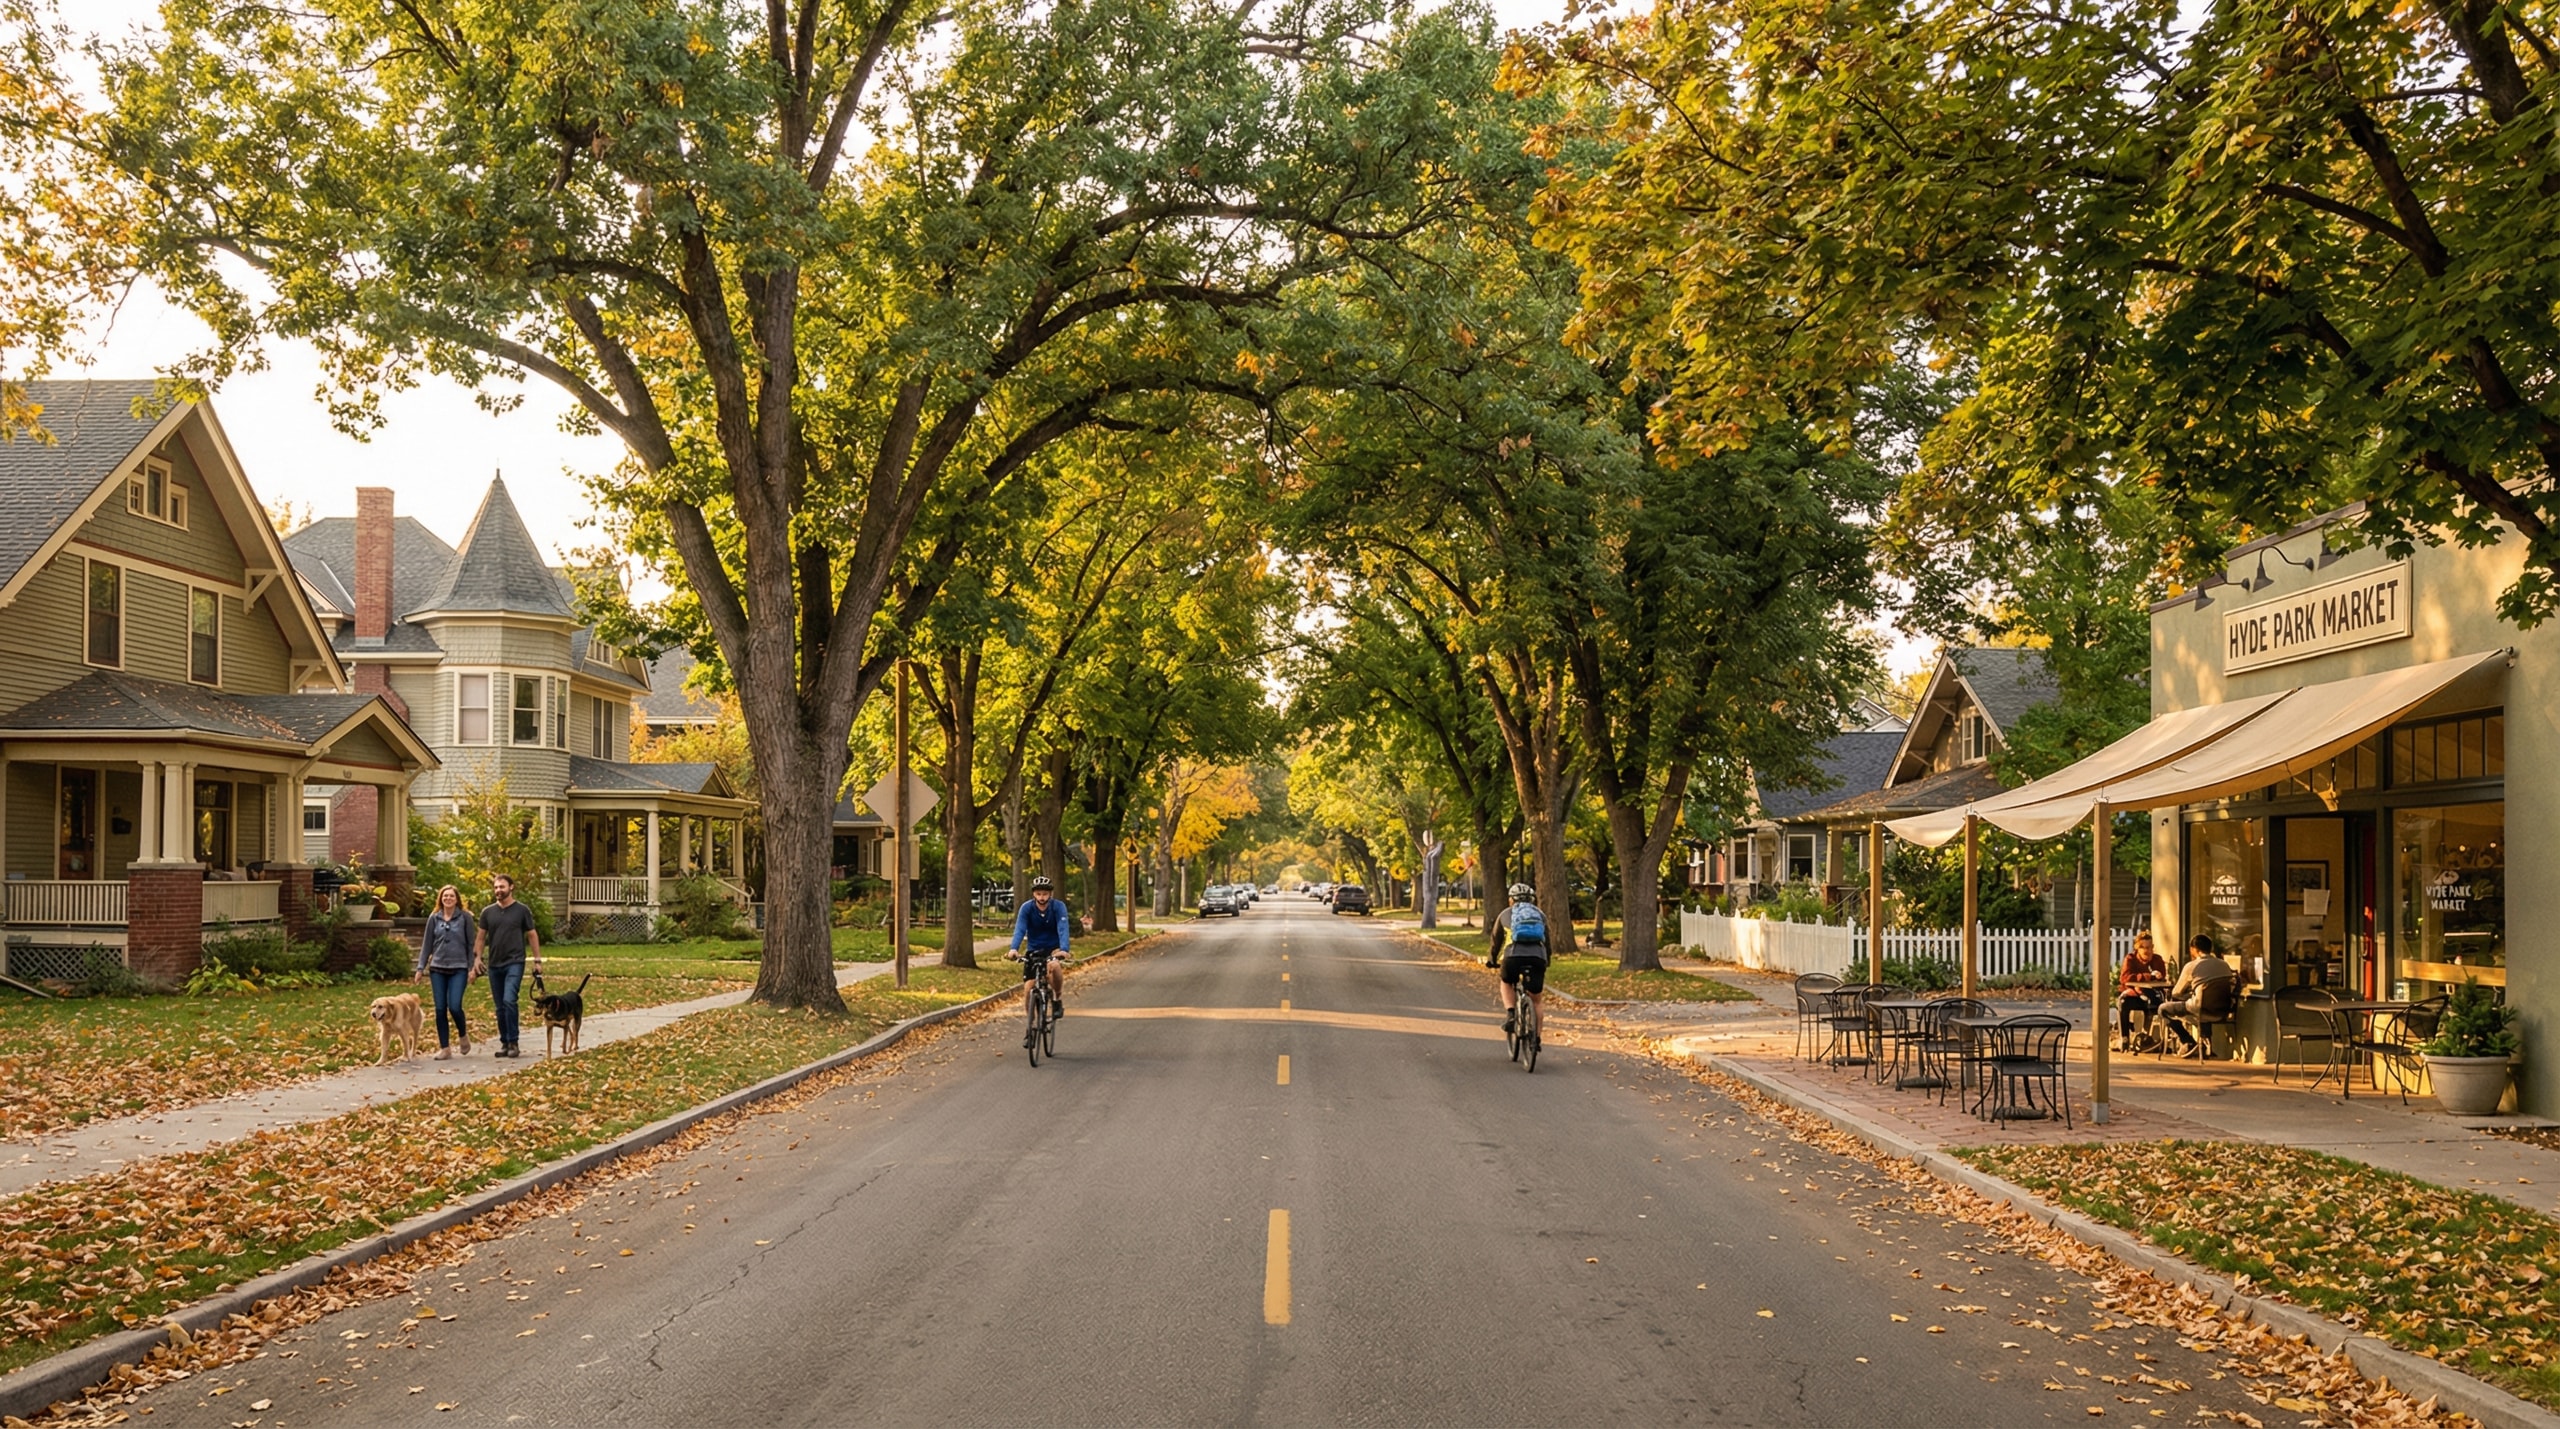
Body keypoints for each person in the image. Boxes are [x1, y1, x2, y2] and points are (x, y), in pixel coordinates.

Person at [412, 884, 484, 1060]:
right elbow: (427, 944)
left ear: (457, 899)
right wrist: (420, 968)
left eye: (451, 896)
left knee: (454, 1006)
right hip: (437, 968)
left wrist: (471, 967)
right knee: (439, 1008)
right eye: (445, 896)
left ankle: (463, 1034)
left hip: (459, 967)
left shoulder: (465, 918)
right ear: (441, 899)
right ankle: (445, 1048)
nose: (448, 899)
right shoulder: (434, 919)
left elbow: (470, 944)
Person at [478, 872, 542, 1059]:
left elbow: (532, 935)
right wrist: (477, 959)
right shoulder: (487, 912)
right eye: (496, 887)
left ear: (511, 887)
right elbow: (481, 937)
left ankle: (514, 1041)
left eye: (502, 887)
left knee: (509, 1000)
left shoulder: (522, 910)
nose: (498, 890)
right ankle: (505, 1042)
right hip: (494, 964)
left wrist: (537, 961)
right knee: (499, 1006)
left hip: (514, 962)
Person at [1009, 874, 1072, 1045]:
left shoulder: (1058, 907)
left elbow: (1063, 928)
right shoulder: (1027, 909)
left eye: (1045, 894)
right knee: (1029, 989)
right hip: (1034, 949)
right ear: (1033, 895)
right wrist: (1014, 949)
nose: (1042, 898)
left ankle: (1057, 1000)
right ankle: (1031, 1028)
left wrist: (1064, 950)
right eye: (1038, 894)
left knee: (1054, 966)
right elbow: (1020, 929)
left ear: (1050, 894)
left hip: (1054, 949)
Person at [1488, 882, 1553, 1037]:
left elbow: (1496, 940)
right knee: (1536, 1001)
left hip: (1512, 956)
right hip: (1538, 957)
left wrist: (1492, 959)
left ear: (1511, 899)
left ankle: (1511, 1014)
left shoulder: (1504, 914)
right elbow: (1547, 941)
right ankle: (1536, 1040)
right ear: (1531, 899)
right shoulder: (1540, 915)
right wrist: (1547, 959)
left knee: (1506, 982)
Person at [2160, 933, 2236, 1057]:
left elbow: (2176, 992)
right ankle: (2206, 1045)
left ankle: (2188, 1041)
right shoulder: (2224, 964)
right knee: (2203, 1002)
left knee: (2163, 1009)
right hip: (2223, 1009)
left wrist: (2189, 992)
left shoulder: (2192, 966)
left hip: (2201, 1009)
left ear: (2194, 949)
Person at [2115, 929, 2169, 1051]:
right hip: (2134, 995)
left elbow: (2163, 978)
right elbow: (2125, 978)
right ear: (2137, 948)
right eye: (2143, 947)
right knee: (2123, 1003)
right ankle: (2125, 1038)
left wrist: (2159, 977)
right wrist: (2147, 976)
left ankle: (2147, 1038)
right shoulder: (2130, 959)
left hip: (2151, 996)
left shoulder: (2157, 960)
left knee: (2156, 1003)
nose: (2147, 951)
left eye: (2149, 947)